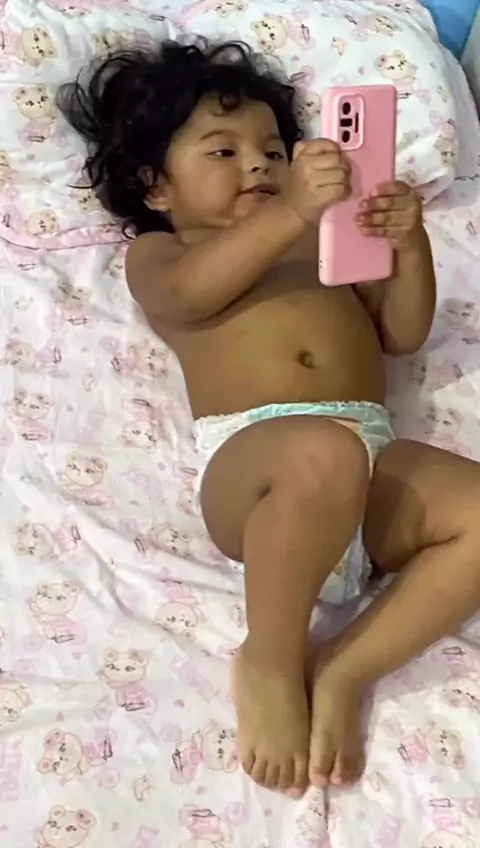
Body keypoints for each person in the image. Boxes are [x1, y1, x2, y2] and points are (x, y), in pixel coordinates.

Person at [59, 40, 480, 799]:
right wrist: (291, 211)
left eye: (274, 151)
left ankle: (344, 667)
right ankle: (272, 658)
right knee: (319, 454)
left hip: (367, 460)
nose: (258, 164)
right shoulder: (163, 253)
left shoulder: (323, 239)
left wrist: (408, 243)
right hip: (258, 475)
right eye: (224, 151)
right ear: (156, 187)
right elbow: (188, 295)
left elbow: (401, 332)